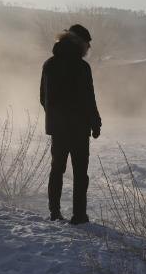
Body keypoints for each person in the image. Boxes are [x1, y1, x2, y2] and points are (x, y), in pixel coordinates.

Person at [40, 24, 101, 224]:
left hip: (58, 128)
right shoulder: (82, 67)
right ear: (79, 43)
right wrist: (95, 122)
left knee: (57, 170)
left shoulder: (49, 64)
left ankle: (54, 212)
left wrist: (55, 117)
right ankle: (79, 215)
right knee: (80, 174)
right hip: (79, 128)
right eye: (87, 44)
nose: (88, 48)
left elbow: (43, 98)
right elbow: (89, 98)